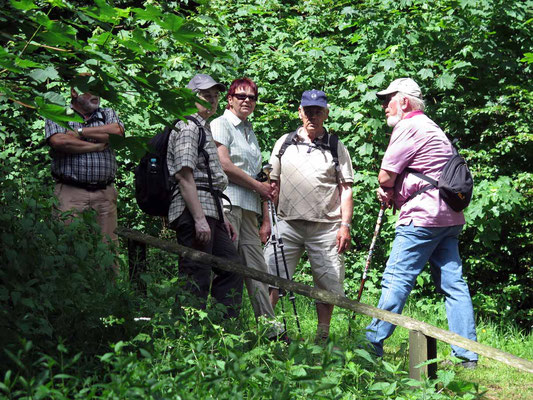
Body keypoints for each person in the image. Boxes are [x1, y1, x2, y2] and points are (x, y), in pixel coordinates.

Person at [365, 78, 478, 368]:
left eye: (387, 99)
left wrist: (387, 189)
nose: (383, 106)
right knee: (454, 284)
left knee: (396, 279)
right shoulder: (433, 127)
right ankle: (466, 354)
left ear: (404, 102)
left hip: (422, 217)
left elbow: (386, 175)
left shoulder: (409, 125)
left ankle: (370, 345)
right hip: (449, 217)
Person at [264, 89, 354, 342]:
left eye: (318, 111)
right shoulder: (284, 143)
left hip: (326, 226)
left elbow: (346, 189)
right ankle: (269, 331)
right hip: (286, 223)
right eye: (308, 111)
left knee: (327, 283)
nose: (312, 116)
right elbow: (271, 185)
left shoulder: (336, 146)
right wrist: (266, 222)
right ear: (300, 112)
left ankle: (322, 336)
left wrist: (344, 225)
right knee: (270, 275)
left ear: (326, 113)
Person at [167, 73, 243, 319]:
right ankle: (188, 333)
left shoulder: (203, 127)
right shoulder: (188, 126)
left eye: (215, 96)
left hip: (212, 210)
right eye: (206, 96)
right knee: (196, 271)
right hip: (194, 209)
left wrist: (223, 219)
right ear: (191, 98)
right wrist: (199, 218)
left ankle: (223, 328)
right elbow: (184, 175)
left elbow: (211, 181)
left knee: (231, 266)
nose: (212, 101)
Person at [210, 78, 281, 331]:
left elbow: (260, 177)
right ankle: (222, 327)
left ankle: (270, 329)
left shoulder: (248, 130)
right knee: (228, 269)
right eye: (241, 96)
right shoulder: (221, 124)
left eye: (252, 97)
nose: (247, 101)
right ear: (229, 99)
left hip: (249, 209)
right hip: (228, 205)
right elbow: (223, 165)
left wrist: (265, 216)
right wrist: (258, 186)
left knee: (258, 269)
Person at [45, 84, 124, 274]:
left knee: (108, 253)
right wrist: (96, 146)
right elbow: (59, 141)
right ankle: (71, 298)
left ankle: (109, 299)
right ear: (74, 92)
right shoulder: (59, 113)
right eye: (89, 89)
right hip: (70, 194)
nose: (96, 94)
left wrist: (80, 133)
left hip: (104, 195)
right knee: (67, 249)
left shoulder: (107, 113)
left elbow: (117, 133)